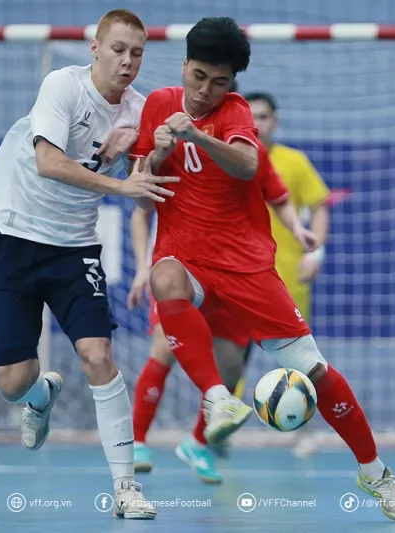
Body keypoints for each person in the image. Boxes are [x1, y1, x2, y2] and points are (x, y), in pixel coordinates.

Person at [127, 16, 395, 522]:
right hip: (186, 259)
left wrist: (195, 135)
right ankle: (213, 401)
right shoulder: (156, 105)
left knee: (317, 372)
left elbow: (245, 164)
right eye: (198, 77)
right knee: (163, 279)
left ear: (232, 84)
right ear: (183, 66)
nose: (205, 90)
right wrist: (157, 153)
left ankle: (375, 473)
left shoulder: (236, 113)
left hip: (246, 269)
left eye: (219, 82)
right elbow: (139, 180)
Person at [0, 9, 177, 520]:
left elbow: (157, 161)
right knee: (12, 383)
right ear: (95, 48)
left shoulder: (138, 109)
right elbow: (49, 162)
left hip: (75, 249)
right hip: (18, 239)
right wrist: (120, 184)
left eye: (137, 53)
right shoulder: (62, 87)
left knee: (98, 354)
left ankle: (126, 487)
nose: (127, 61)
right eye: (118, 50)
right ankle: (42, 394)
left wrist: (153, 147)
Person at [126, 139, 308, 484]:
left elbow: (279, 198)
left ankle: (197, 443)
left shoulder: (251, 165)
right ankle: (137, 442)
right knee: (165, 348)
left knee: (230, 365)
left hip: (231, 274)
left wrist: (298, 231)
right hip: (180, 271)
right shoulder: (178, 154)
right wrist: (140, 268)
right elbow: (141, 210)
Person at [239, 91, 332, 457]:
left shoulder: (294, 162)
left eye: (263, 116)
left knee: (302, 362)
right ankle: (217, 430)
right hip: (239, 277)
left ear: (274, 120)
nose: (257, 123)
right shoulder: (231, 159)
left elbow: (320, 205)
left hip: (288, 277)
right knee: (231, 358)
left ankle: (302, 431)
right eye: (251, 117)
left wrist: (317, 252)